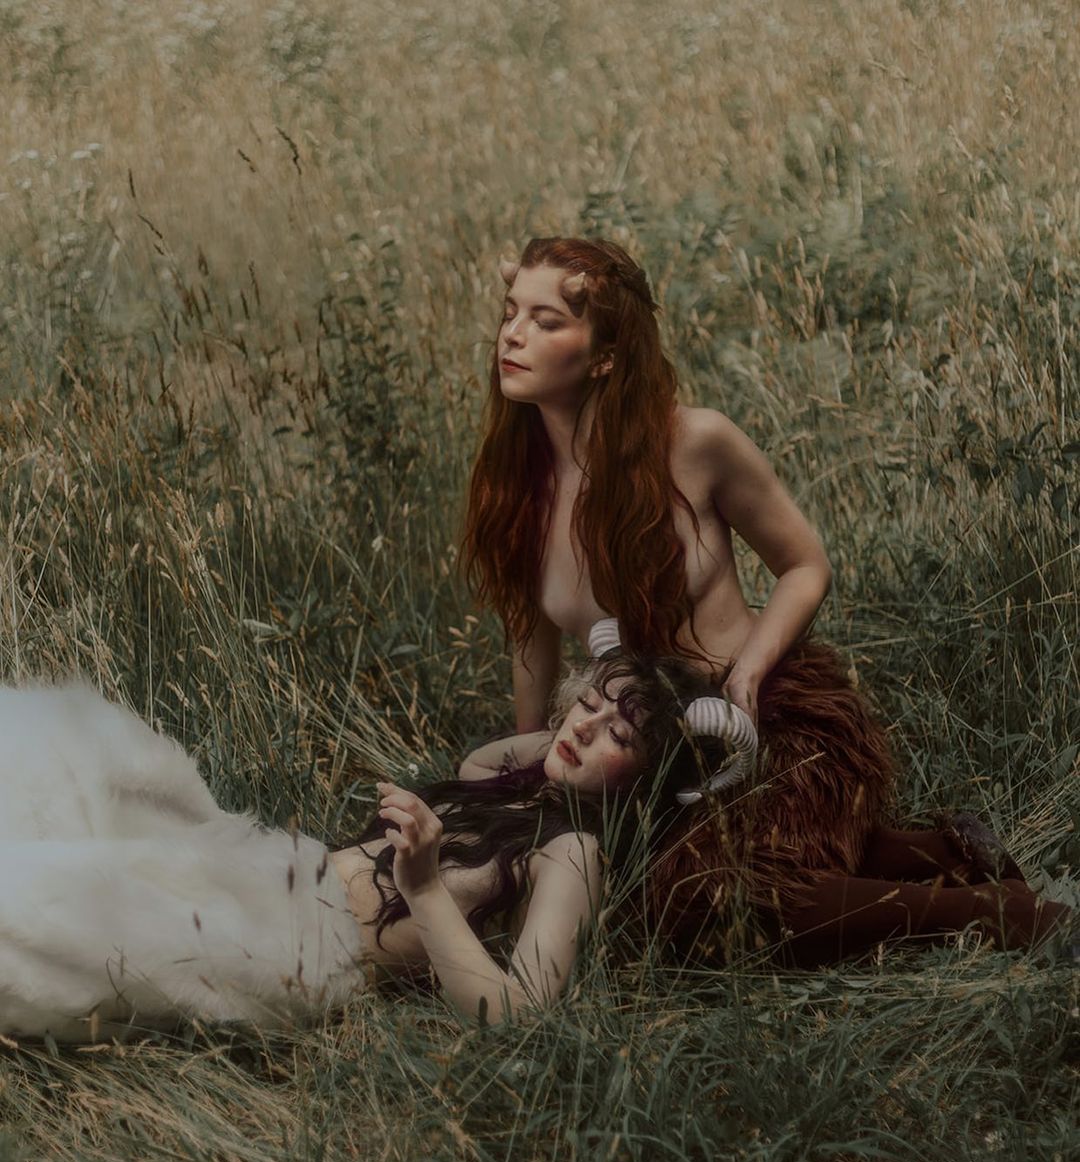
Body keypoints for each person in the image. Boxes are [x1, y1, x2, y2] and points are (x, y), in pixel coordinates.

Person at [460, 237, 1071, 961]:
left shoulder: (694, 442)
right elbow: (530, 636)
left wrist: (748, 671)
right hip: (649, 753)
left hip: (761, 715)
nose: (513, 335)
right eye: (510, 313)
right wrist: (532, 777)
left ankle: (998, 914)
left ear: (605, 356)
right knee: (630, 903)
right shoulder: (516, 483)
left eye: (545, 320)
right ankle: (941, 851)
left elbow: (805, 566)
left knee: (714, 895)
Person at [0, 652, 722, 1042]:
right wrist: (600, 712)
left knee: (70, 904)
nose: (583, 727)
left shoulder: (573, 854)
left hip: (298, 948)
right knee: (91, 754)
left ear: (647, 781)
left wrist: (425, 886)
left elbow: (523, 1014)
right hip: (275, 864)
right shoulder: (510, 790)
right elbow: (487, 757)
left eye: (616, 734)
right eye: (585, 703)